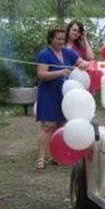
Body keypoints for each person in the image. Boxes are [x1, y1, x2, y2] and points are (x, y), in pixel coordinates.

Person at [34, 27, 90, 170]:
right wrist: (59, 73)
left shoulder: (67, 52)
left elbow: (82, 62)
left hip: (65, 95)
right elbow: (41, 74)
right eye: (58, 39)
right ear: (51, 39)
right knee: (48, 125)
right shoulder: (44, 54)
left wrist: (83, 64)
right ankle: (41, 158)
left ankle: (55, 156)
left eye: (63, 39)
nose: (61, 42)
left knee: (61, 125)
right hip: (49, 93)